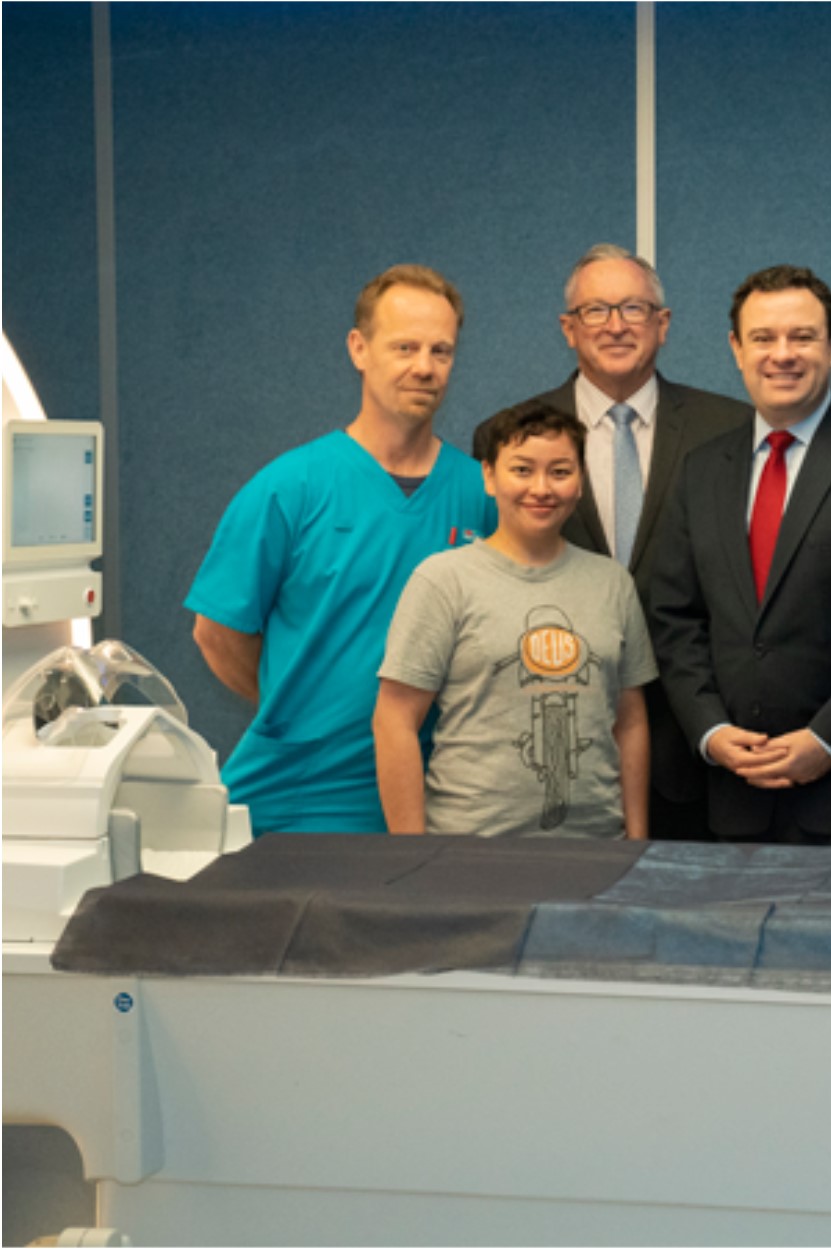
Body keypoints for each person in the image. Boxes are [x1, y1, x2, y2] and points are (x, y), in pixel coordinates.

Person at [645, 265, 831, 846]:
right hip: (731, 801)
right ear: (736, 349)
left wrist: (829, 740)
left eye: (802, 337)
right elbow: (674, 618)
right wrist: (709, 730)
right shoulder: (702, 470)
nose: (782, 354)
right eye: (763, 337)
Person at [187, 264, 493, 834]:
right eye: (404, 347)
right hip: (297, 799)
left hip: (433, 800)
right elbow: (216, 634)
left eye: (441, 351)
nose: (424, 367)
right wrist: (300, 708)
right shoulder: (290, 488)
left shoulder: (482, 493)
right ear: (359, 348)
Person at [476, 244, 750, 841]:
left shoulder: (732, 429)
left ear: (664, 323)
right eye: (596, 310)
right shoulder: (512, 437)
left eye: (634, 307)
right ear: (568, 329)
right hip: (559, 747)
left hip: (699, 743)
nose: (617, 325)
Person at [375, 402, 656, 839]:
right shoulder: (443, 580)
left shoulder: (613, 583)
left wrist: (636, 839)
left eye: (560, 472)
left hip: (597, 848)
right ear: (488, 476)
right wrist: (412, 852)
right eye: (522, 470)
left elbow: (631, 720)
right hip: (469, 849)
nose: (541, 488)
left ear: (581, 481)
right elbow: (394, 719)